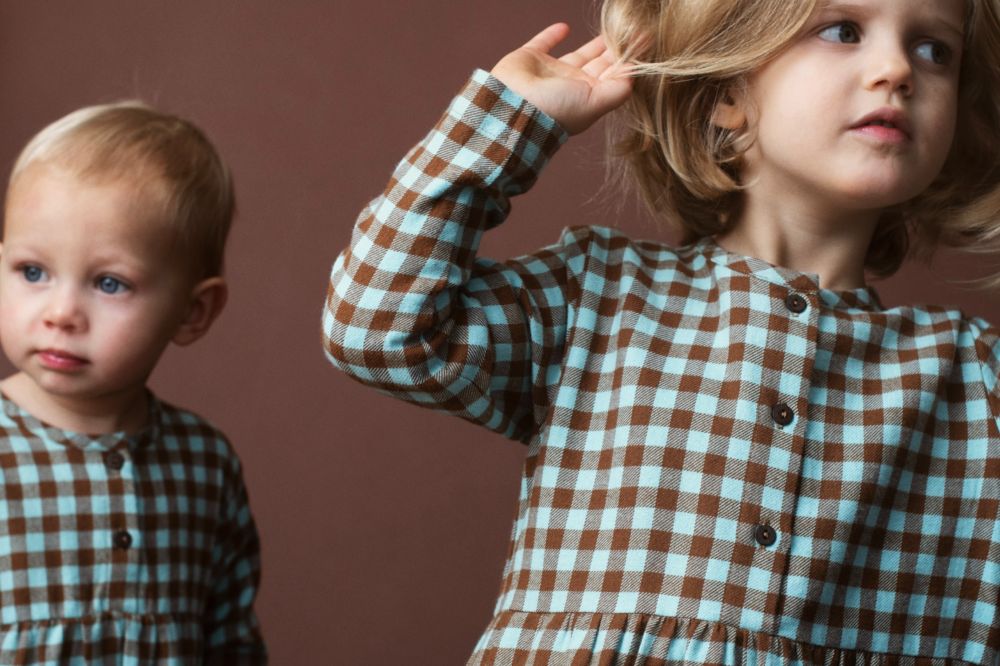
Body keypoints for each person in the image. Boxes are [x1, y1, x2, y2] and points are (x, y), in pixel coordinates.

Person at [324, 0, 1000, 662]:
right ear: (727, 93)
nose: (897, 69)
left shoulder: (974, 380)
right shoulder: (601, 295)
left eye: (934, 49)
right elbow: (378, 326)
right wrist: (510, 125)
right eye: (844, 30)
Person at [0, 102, 266, 663]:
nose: (61, 313)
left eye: (109, 283)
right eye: (32, 272)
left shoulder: (205, 463)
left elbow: (231, 643)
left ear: (194, 311)